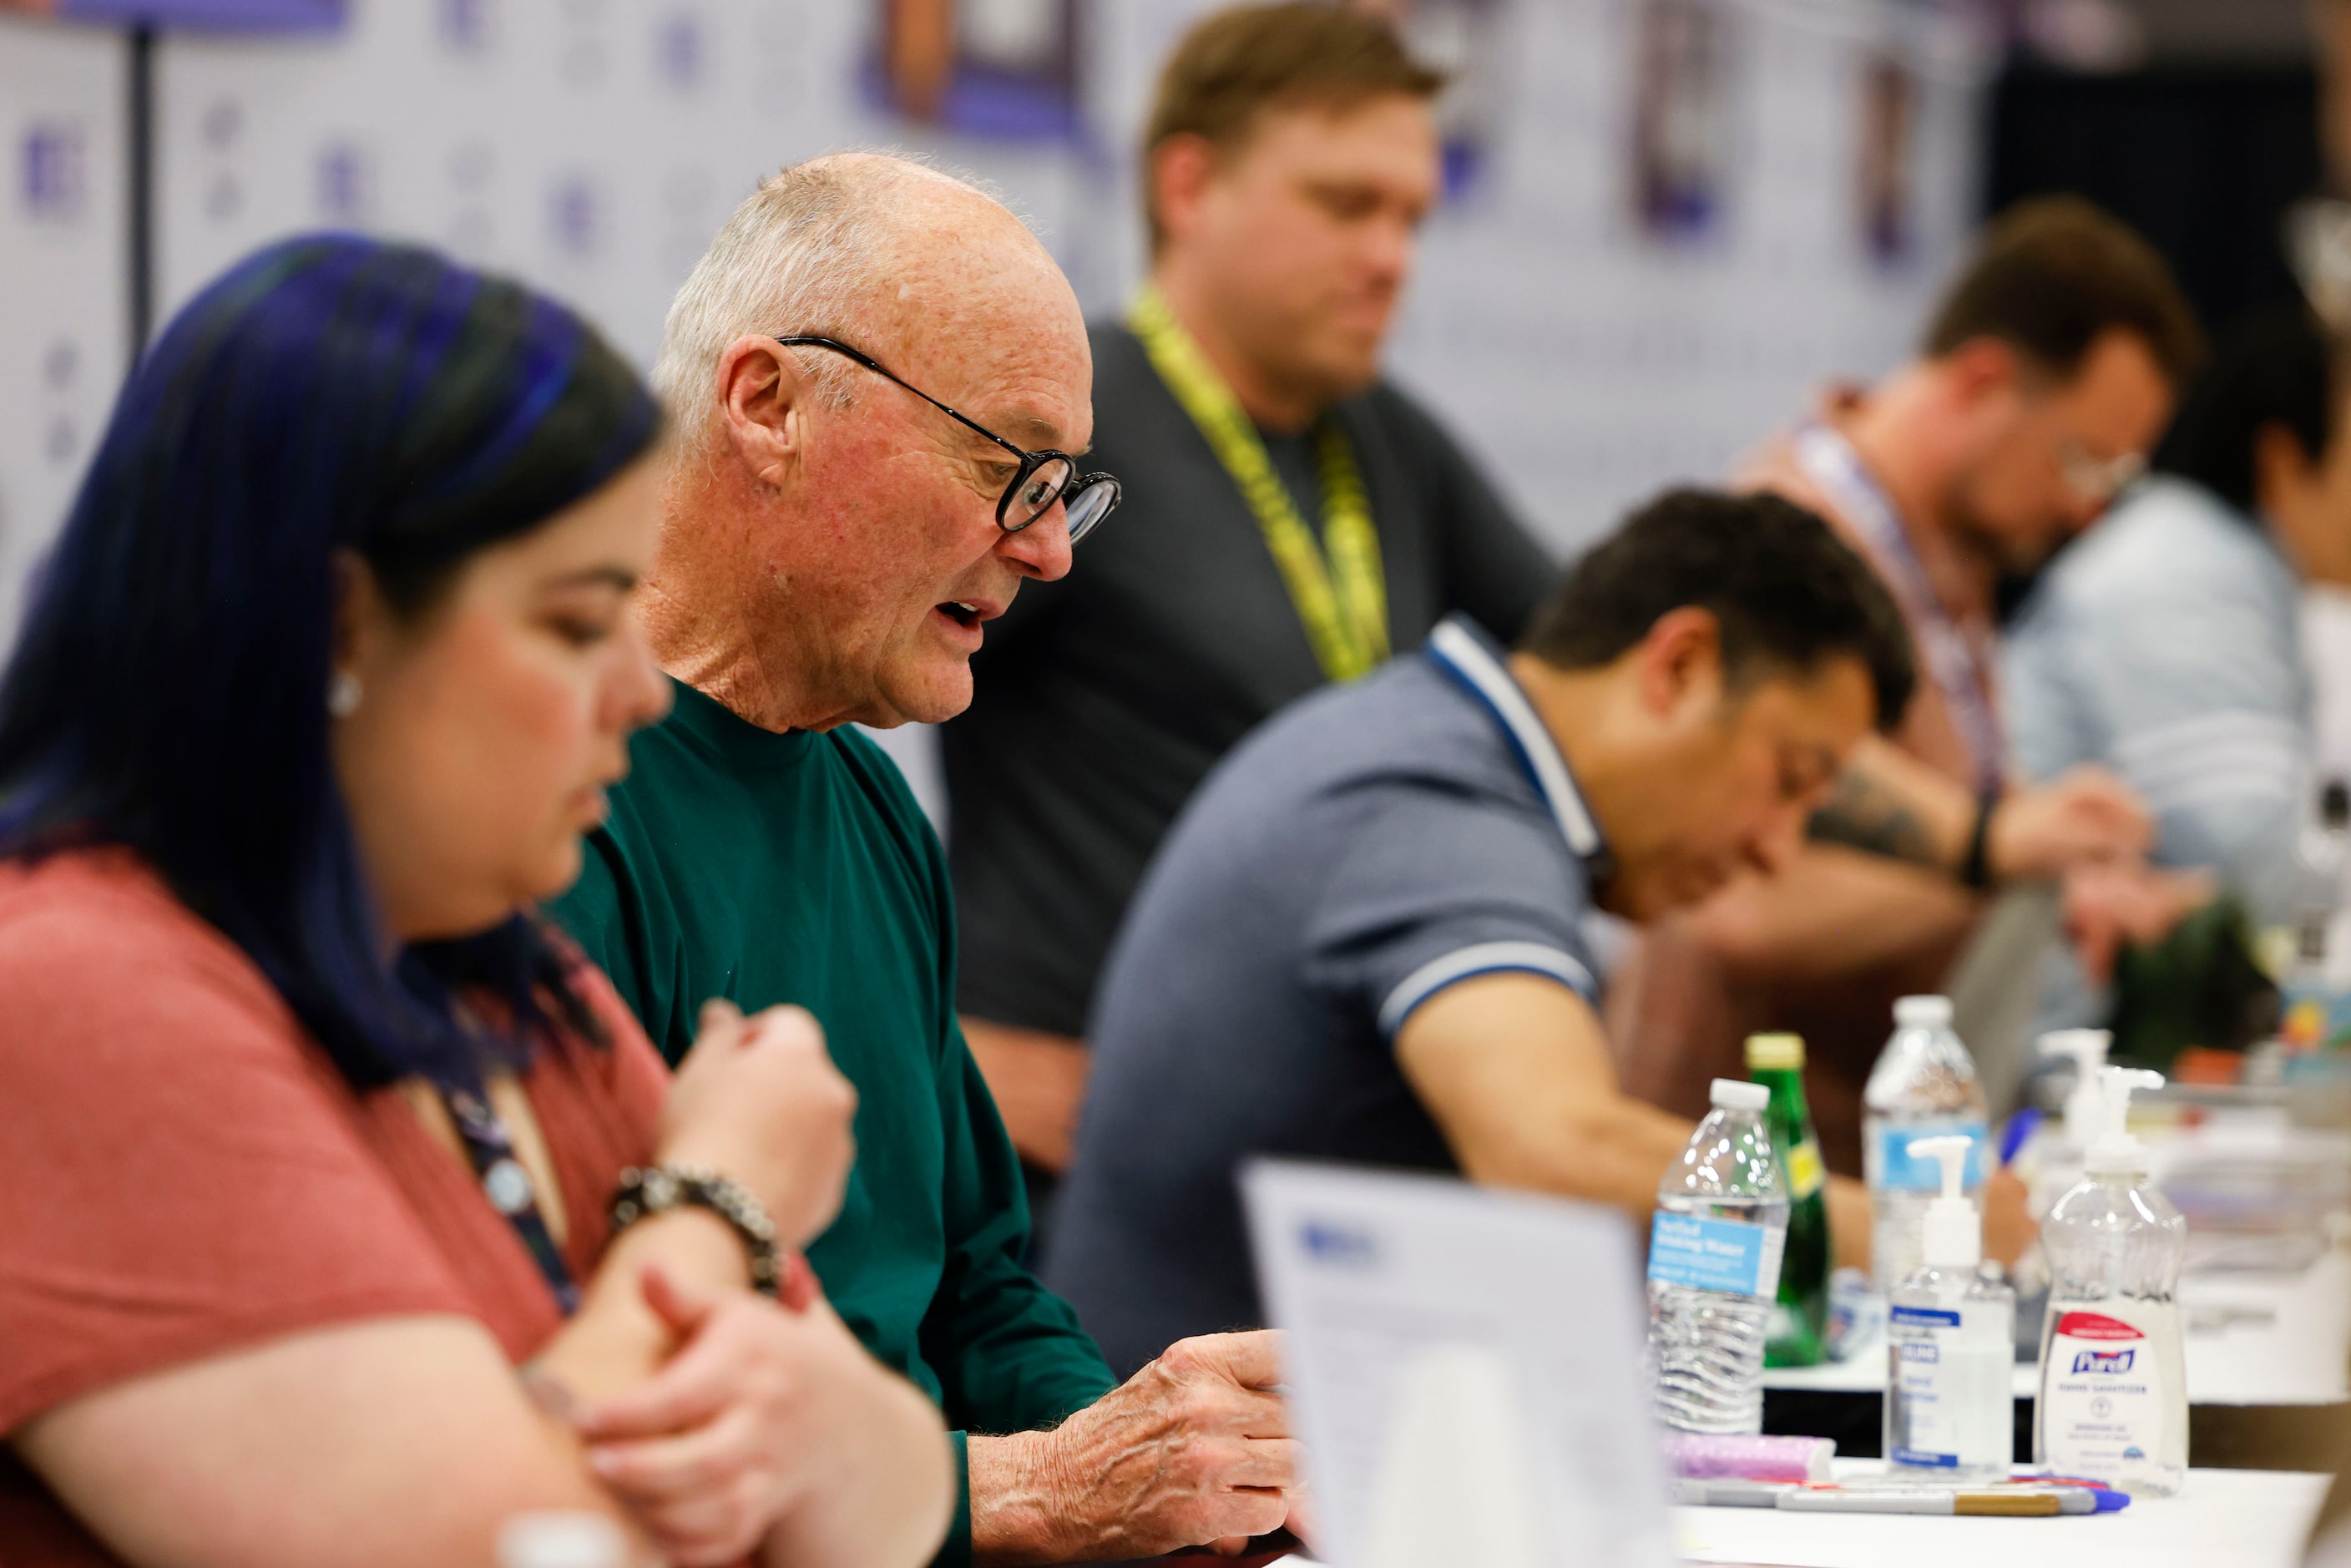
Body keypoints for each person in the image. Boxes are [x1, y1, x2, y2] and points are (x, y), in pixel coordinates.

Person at [0, 237, 953, 1568]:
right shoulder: (73, 995)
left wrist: (819, 1437)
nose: (637, 693)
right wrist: (718, 1198)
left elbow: (893, 1500)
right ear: (339, 624)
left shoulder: (491, 965)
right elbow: (512, 1550)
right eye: (575, 625)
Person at [547, 154, 1300, 1567]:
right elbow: (577, 1408)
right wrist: (1031, 1492)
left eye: (1066, 489)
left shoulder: (873, 806)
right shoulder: (538, 818)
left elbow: (974, 1289)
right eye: (1007, 466)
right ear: (766, 405)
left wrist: (1182, 1493)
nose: (1047, 548)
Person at [1048, 489, 1953, 1375]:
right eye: (1789, 778)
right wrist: (1925, 1231)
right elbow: (1553, 1151)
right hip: (1188, 1489)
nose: (1776, 849)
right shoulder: (1440, 813)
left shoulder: (1415, 736)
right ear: (1677, 666)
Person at [938, 3, 1557, 1196]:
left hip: (1313, 1155)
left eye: (1411, 218)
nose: (1392, 257)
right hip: (1086, 1171)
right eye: (1345, 205)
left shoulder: (1381, 439)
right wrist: (926, 1037)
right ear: (1189, 187)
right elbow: (782, 703)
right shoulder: (1081, 425)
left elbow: (1605, 659)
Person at [1608, 197, 2207, 1170]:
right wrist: (2006, 860)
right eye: (2078, 462)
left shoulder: (1944, 557)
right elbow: (1741, 907)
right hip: (1725, 1193)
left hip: (1851, 1165)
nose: (2080, 509)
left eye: (2108, 482)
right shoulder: (1785, 541)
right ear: (1981, 381)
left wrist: (2045, 874)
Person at [2008, 310, 2351, 938]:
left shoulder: (2219, 563)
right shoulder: (2184, 573)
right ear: (2283, 459)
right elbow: (2252, 865)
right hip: (2046, 1019)